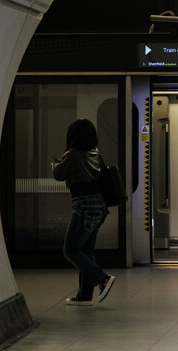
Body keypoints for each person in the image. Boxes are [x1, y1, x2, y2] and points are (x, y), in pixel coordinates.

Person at [52, 118, 116, 306]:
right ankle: (85, 295)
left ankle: (102, 279)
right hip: (100, 206)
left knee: (70, 250)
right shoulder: (95, 153)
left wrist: (56, 163)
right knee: (86, 251)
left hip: (84, 206)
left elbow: (59, 175)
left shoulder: (72, 155)